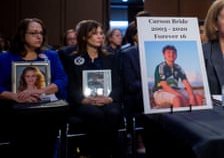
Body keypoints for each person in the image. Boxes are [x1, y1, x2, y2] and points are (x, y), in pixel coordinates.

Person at [0, 18, 68, 157]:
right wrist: (15, 96)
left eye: (41, 33)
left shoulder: (51, 55)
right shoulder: (6, 57)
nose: (39, 36)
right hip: (17, 108)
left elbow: (62, 80)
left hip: (46, 107)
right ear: (22, 34)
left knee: (48, 130)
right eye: (33, 33)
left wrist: (41, 90)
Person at [62, 19, 124, 157]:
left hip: (107, 100)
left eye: (102, 33)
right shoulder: (72, 59)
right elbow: (71, 86)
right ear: (84, 36)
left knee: (113, 113)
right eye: (95, 33)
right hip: (84, 102)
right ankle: (101, 153)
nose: (100, 36)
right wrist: (84, 100)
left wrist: (110, 98)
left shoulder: (110, 57)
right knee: (95, 114)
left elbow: (118, 84)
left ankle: (103, 153)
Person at [118, 10, 151, 154]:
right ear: (135, 36)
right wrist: (151, 82)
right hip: (137, 98)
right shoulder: (127, 54)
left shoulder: (157, 51)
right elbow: (130, 86)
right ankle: (140, 139)